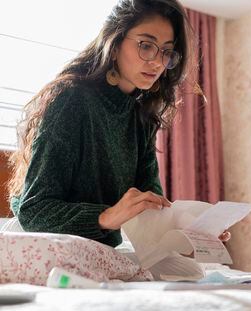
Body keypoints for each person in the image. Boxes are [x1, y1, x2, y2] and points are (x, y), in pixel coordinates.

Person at [7, 0, 230, 248]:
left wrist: (189, 231)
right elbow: (34, 211)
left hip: (99, 252)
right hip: (45, 247)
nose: (157, 62)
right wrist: (106, 216)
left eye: (166, 52)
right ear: (113, 44)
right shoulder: (72, 99)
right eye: (146, 46)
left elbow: (150, 207)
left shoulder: (141, 118)